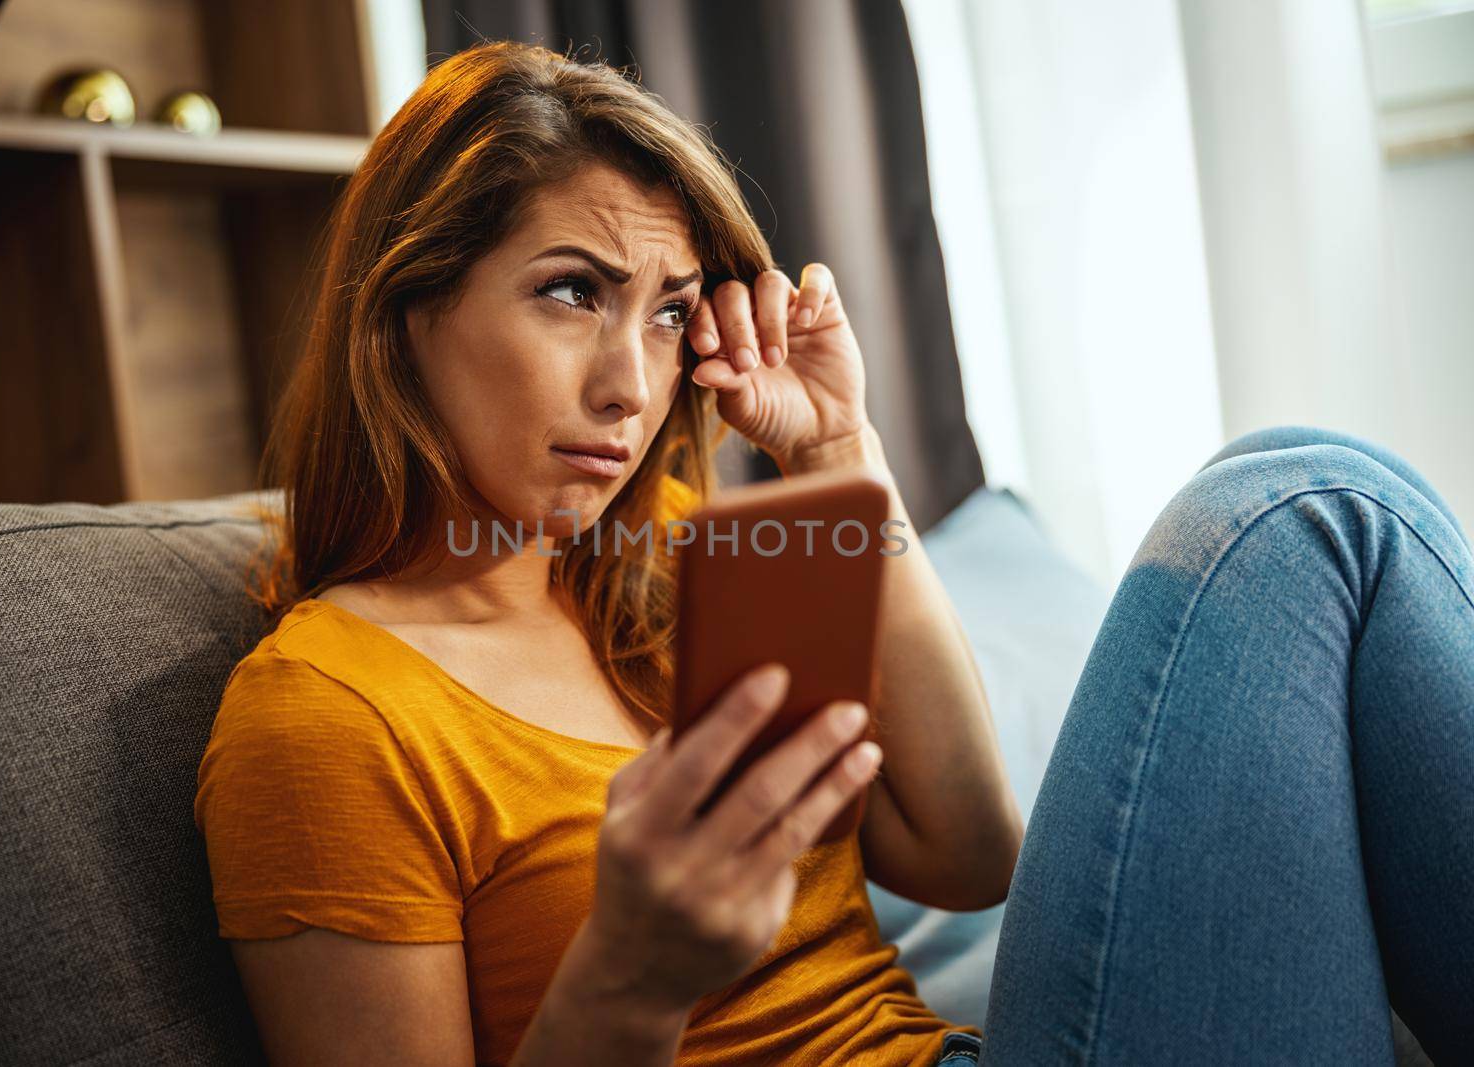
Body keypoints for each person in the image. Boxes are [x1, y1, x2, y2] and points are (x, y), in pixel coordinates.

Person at [191, 40, 1472, 1067]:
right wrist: (633, 971)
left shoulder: (684, 576)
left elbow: (967, 848)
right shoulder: (320, 722)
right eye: (572, 291)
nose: (631, 387)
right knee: (1302, 507)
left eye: (671, 312)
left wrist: (838, 450)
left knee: (1311, 491)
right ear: (406, 309)